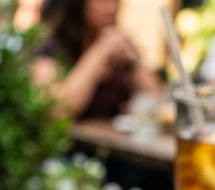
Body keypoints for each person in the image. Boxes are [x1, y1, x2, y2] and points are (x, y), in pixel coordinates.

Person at [31, 0, 162, 121]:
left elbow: (158, 102)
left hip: (112, 143)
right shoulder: (54, 47)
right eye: (103, 1)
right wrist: (100, 51)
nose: (112, 9)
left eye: (116, 1)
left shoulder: (120, 44)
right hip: (71, 144)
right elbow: (59, 111)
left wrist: (134, 64)